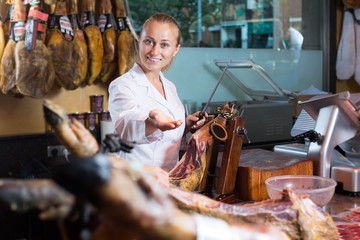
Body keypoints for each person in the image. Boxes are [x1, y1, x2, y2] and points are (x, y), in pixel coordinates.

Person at [108, 13, 206, 172]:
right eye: (149, 42)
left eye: (164, 45)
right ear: (139, 41)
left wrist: (186, 125)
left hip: (168, 179)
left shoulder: (170, 86)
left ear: (176, 49)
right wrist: (150, 124)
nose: (154, 51)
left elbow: (168, 138)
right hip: (136, 182)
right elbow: (124, 126)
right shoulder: (122, 85)